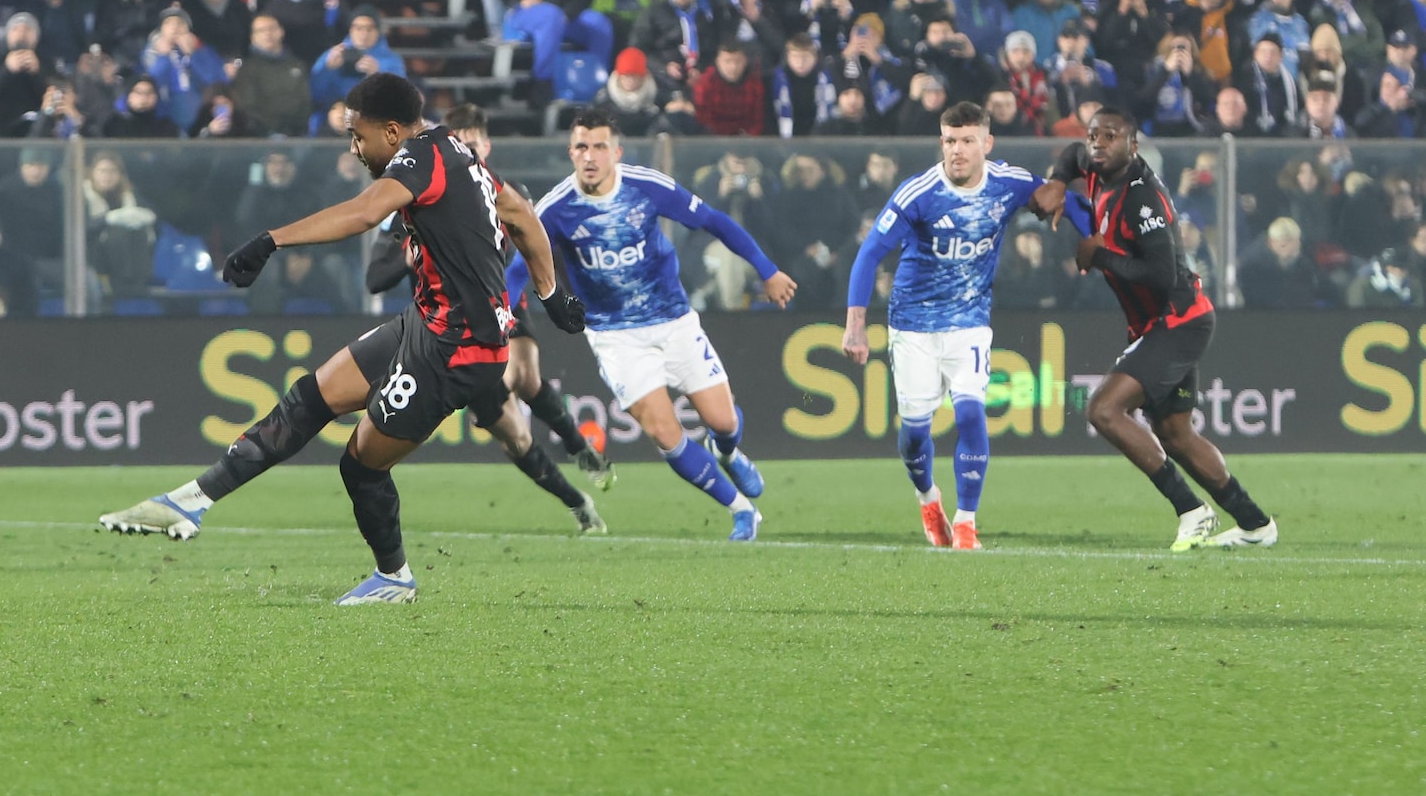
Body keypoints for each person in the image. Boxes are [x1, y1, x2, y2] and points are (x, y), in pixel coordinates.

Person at [98, 75, 588, 605]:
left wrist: (270, 241)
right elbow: (518, 213)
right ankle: (190, 501)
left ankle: (395, 578)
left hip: (458, 349)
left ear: (393, 132)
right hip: (428, 322)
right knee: (311, 397)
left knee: (360, 464)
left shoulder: (419, 160)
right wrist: (550, 291)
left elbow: (363, 213)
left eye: (358, 136)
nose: (354, 148)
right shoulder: (456, 150)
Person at [532, 109, 797, 541]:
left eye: (600, 146)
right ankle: (742, 511)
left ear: (616, 152)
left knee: (723, 421)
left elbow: (712, 220)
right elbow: (523, 267)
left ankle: (726, 449)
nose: (591, 156)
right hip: (615, 336)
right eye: (582, 147)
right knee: (664, 433)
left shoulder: (646, 187)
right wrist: (501, 310)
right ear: (571, 153)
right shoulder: (556, 210)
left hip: (673, 320)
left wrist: (766, 270)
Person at [1028, 108, 1278, 550]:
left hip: (1178, 321)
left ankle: (1190, 508)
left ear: (1133, 146)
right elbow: (1070, 154)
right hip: (1159, 323)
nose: (1098, 143)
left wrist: (1099, 255)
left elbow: (1163, 275)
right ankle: (1255, 525)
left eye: (1111, 136)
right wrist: (1055, 181)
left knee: (1103, 410)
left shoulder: (1142, 198)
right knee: (1176, 434)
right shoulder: (1094, 164)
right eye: (1094, 136)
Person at [368, 104, 616, 496]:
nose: (468, 154)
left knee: (523, 375)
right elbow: (374, 278)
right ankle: (575, 500)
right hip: (446, 323)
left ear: (486, 146)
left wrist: (555, 294)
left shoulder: (505, 192)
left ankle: (578, 448)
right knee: (515, 437)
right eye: (460, 146)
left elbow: (530, 245)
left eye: (474, 146)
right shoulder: (416, 197)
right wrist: (408, 253)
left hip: (500, 304)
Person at [839, 102, 1043, 550]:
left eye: (968, 140)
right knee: (914, 434)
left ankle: (967, 522)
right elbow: (870, 253)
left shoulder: (1010, 183)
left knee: (971, 412)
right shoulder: (918, 193)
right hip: (913, 325)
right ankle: (927, 497)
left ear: (987, 144)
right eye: (950, 141)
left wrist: (1093, 240)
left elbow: (1055, 196)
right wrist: (856, 325)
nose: (957, 150)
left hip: (969, 321)